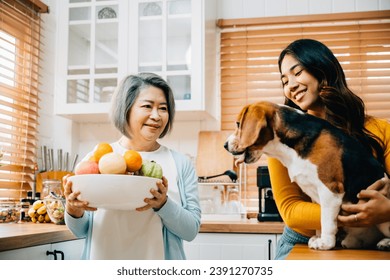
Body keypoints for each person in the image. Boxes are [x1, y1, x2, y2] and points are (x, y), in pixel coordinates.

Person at [268, 39, 390, 259]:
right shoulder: (283, 140)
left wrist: (387, 211)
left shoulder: (380, 130)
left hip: (373, 241)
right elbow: (291, 211)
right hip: (304, 242)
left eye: (298, 72)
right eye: (284, 81)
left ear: (322, 68)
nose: (291, 86)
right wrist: (356, 213)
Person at [63, 73, 201, 260]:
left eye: (163, 108)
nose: (156, 116)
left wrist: (163, 204)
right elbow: (80, 230)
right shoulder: (98, 158)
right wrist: (73, 208)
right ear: (126, 108)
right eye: (147, 106)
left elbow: (191, 230)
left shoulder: (180, 163)